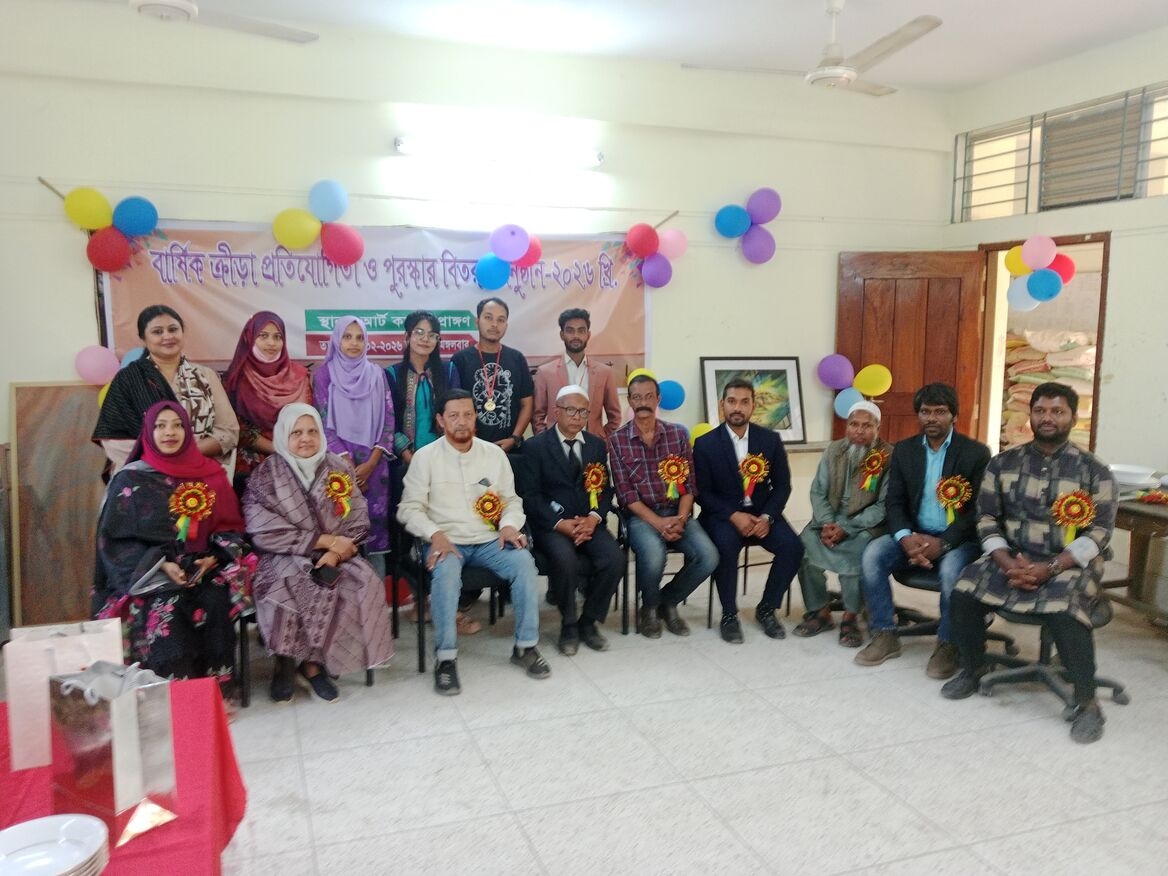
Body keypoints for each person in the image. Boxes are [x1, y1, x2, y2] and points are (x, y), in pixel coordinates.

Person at [942, 383, 1118, 744]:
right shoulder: (1002, 464)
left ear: (1073, 417)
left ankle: (1087, 703)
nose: (1047, 418)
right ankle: (974, 668)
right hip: (1013, 556)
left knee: (1066, 608)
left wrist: (1051, 568)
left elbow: (1100, 532)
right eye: (1040, 411)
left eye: (1057, 411)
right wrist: (1006, 561)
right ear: (1031, 415)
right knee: (963, 589)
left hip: (1070, 563)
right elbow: (986, 518)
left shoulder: (1095, 471)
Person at [93, 401, 248, 702]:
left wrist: (214, 557)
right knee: (168, 607)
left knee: (216, 601)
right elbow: (113, 540)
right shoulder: (130, 479)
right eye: (160, 426)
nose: (169, 432)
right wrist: (161, 564)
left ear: (188, 431)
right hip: (150, 573)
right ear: (148, 433)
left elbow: (233, 529)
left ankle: (216, 694)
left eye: (177, 425)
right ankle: (176, 697)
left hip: (203, 567)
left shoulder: (211, 474)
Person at [397, 389, 549, 695]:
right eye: (453, 416)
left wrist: (509, 526)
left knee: (524, 563)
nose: (462, 421)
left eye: (468, 414)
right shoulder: (425, 457)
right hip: (446, 541)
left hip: (490, 540)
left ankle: (525, 645)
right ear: (440, 420)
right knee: (446, 575)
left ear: (476, 417)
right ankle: (446, 658)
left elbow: (511, 501)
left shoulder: (493, 455)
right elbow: (408, 509)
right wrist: (434, 534)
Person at [242, 404, 394, 704]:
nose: (306, 438)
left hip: (336, 555)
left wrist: (335, 554)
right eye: (296, 432)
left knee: (359, 584)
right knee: (287, 586)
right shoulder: (266, 474)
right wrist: (324, 540)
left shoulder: (338, 468)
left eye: (312, 431)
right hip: (283, 554)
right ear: (283, 436)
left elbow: (358, 520)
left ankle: (313, 666)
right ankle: (284, 663)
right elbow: (261, 529)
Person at [854, 383, 991, 679]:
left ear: (954, 415)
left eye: (940, 412)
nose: (931, 418)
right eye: (925, 412)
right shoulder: (904, 451)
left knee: (952, 570)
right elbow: (895, 501)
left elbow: (978, 511)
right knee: (872, 555)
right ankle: (884, 633)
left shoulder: (976, 453)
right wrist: (905, 537)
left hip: (959, 540)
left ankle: (948, 643)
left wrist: (944, 543)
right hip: (914, 535)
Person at [693, 378, 803, 643]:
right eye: (732, 401)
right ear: (722, 405)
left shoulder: (770, 440)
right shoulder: (706, 443)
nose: (737, 408)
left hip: (762, 513)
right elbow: (702, 493)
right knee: (726, 546)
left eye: (744, 402)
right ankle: (729, 615)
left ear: (753, 406)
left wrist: (767, 517)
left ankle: (766, 609)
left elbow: (783, 486)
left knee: (793, 547)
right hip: (722, 516)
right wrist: (733, 515)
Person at [608, 374, 718, 638]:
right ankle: (648, 608)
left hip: (677, 512)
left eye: (649, 396)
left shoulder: (677, 434)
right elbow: (625, 494)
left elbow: (689, 485)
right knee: (654, 554)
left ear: (658, 399)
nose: (643, 402)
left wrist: (680, 518)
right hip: (641, 517)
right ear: (630, 401)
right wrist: (658, 523)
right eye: (637, 397)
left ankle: (667, 601)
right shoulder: (617, 440)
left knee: (708, 557)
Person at [521, 385, 624, 655]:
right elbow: (530, 496)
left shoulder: (596, 445)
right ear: (556, 412)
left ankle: (587, 622)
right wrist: (559, 523)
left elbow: (604, 490)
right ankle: (568, 625)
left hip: (588, 522)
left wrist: (593, 518)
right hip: (552, 526)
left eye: (583, 412)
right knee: (564, 559)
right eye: (571, 410)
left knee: (615, 559)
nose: (577, 417)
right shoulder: (535, 447)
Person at [93, 304, 239, 474]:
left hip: (196, 472)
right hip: (144, 475)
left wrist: (185, 454)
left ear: (182, 333)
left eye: (173, 329)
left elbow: (228, 431)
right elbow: (113, 438)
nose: (167, 336)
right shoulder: (129, 378)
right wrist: (163, 459)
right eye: (157, 332)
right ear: (143, 338)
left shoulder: (206, 376)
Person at [793, 401, 892, 648]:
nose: (859, 431)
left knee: (858, 551)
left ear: (878, 429)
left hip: (865, 524)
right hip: (829, 519)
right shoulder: (833, 450)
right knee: (804, 545)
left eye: (866, 426)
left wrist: (847, 527)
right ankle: (820, 612)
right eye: (853, 424)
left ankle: (851, 616)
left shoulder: (889, 456)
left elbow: (884, 505)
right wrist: (827, 522)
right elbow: (818, 492)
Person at [313, 316, 395, 579]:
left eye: (360, 337)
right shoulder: (324, 374)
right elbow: (323, 421)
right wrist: (347, 466)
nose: (354, 343)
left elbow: (388, 420)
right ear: (337, 339)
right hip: (338, 466)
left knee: (375, 530)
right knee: (343, 530)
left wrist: (371, 463)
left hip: (375, 467)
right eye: (347, 337)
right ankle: (347, 597)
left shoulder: (377, 374)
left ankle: (377, 596)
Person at [222, 311, 312, 494]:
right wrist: (278, 449)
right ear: (250, 338)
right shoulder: (235, 379)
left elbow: (308, 418)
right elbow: (237, 427)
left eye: (277, 337)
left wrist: (293, 449)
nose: (271, 343)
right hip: (252, 462)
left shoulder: (300, 376)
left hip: (297, 455)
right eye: (263, 336)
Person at [450, 297, 534, 452]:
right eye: (488, 318)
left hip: (509, 449)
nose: (494, 324)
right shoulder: (460, 359)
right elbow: (453, 407)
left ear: (506, 325)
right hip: (469, 447)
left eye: (500, 320)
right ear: (477, 321)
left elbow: (527, 404)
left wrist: (514, 438)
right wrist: (470, 441)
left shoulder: (517, 358)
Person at [531, 308, 621, 439]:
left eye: (581, 330)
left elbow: (615, 417)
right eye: (570, 330)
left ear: (588, 334)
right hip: (555, 446)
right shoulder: (545, 373)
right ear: (562, 335)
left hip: (591, 445)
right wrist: (546, 443)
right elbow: (537, 417)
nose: (576, 336)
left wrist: (601, 440)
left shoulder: (604, 372)